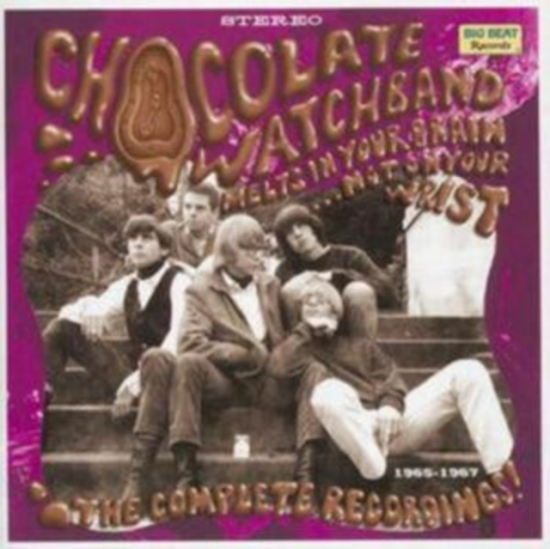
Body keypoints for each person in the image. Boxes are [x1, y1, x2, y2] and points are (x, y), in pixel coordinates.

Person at [121, 214, 326, 500]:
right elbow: (191, 343)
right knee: (187, 363)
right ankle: (186, 477)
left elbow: (289, 334)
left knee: (315, 370)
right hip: (225, 382)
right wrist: (240, 354)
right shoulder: (201, 289)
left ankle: (306, 477)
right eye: (249, 250)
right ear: (228, 252)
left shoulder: (270, 285)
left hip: (268, 381)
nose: (259, 257)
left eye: (261, 250)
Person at [269, 279, 513, 482]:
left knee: (469, 370)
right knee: (326, 392)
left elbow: (391, 381)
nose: (312, 304)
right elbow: (276, 368)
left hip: (389, 427)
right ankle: (372, 466)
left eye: (320, 300)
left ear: (335, 311)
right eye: (307, 303)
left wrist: (390, 406)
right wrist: (304, 330)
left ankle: (503, 472)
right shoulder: (301, 349)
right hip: (350, 431)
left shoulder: (362, 347)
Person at [42, 214, 191, 414]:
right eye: (133, 239)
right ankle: (36, 394)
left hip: (167, 381)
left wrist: (134, 385)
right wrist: (92, 308)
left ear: (164, 249)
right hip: (131, 377)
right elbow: (68, 314)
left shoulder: (180, 282)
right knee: (62, 328)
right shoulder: (128, 284)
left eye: (147, 238)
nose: (138, 244)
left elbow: (180, 339)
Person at [273, 203, 398, 339]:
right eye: (289, 232)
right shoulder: (285, 270)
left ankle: (363, 351)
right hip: (308, 339)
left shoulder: (350, 257)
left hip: (351, 333)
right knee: (290, 289)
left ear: (313, 228)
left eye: (301, 225)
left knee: (359, 290)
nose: (297, 234)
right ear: (286, 242)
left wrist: (339, 276)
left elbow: (388, 292)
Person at [162, 179, 220, 272]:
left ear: (215, 213)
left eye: (200, 208)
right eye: (187, 207)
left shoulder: (225, 237)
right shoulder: (171, 232)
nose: (192, 213)